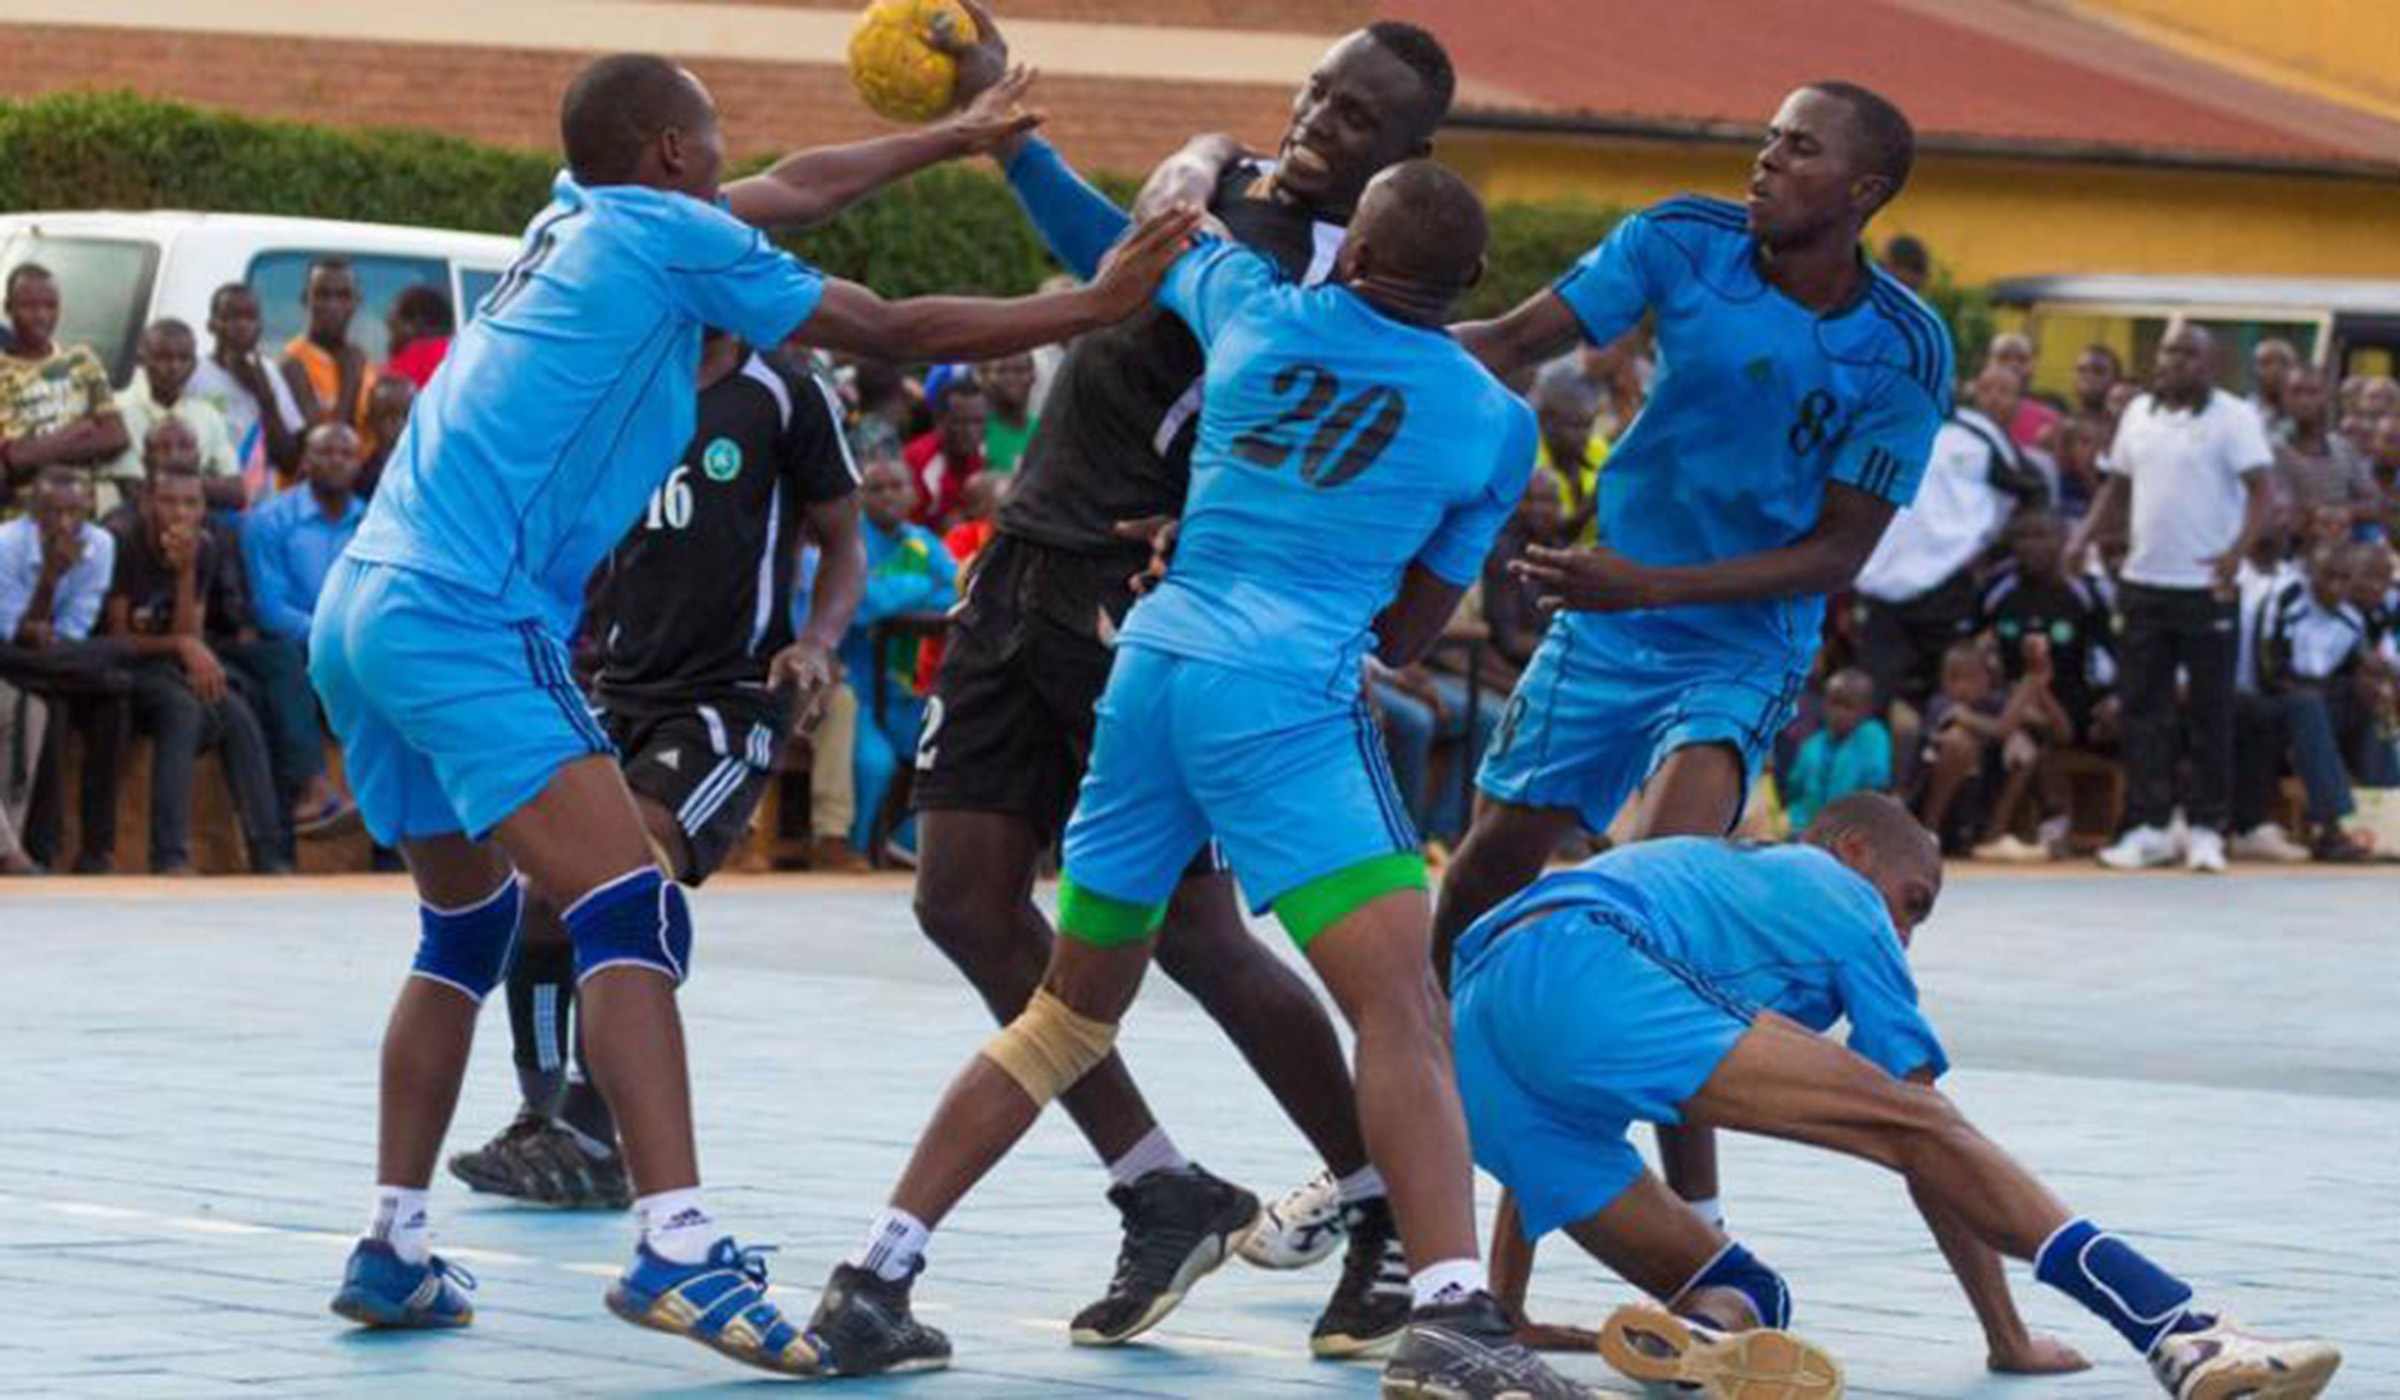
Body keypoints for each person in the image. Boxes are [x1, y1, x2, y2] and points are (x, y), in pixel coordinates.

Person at [304, 46, 1194, 1374]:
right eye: (713, 134)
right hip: (465, 611)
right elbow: (889, 326)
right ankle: (675, 1242)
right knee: (630, 908)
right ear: (671, 152)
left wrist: (952, 135)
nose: (731, 158)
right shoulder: (669, 240)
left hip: (363, 601)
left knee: (465, 928)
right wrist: (1095, 303)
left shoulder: (577, 214)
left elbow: (799, 185)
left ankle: (393, 1243)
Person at [805, 158, 1584, 1400]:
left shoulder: (1251, 304)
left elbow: (1147, 239)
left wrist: (1160, 166)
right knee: (1401, 1008)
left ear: (1351, 252)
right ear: (1473, 279)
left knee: (1067, 1010)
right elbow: (1402, 635)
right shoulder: (1494, 422)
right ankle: (1449, 1309)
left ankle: (874, 1275)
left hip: (1148, 672)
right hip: (1280, 693)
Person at [906, 14, 1462, 1354]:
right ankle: (1162, 1184)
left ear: (1407, 156)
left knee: (1199, 931)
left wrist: (1025, 140)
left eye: (1357, 115)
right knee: (962, 900)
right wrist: (1013, 121)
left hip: (1143, 598)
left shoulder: (1325, 277)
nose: (1317, 119)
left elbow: (1119, 263)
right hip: (1020, 562)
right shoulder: (1233, 189)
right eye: (1317, 90)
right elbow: (1120, 252)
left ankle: (1383, 1202)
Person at [1430, 81, 1953, 1330]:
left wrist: (1651, 583)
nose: (1763, 161)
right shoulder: (1680, 238)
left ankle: (1697, 1233)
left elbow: (1839, 552)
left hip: (1742, 637)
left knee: (1654, 903)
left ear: (1862, 191)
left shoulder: (1904, 347)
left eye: (1796, 149)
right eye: (1767, 140)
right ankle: (1421, 1129)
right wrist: (1358, 336)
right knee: (1485, 877)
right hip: (1610, 619)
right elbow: (1511, 337)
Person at [1448, 793, 2341, 1400]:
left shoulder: (1718, 889)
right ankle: (2178, 1329)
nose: (1904, 936)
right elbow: (1924, 1139)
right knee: (1925, 1124)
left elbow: (1541, 1128)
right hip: (1586, 952)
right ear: (1853, 851)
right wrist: (2006, 1336)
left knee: (1744, 1288)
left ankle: (1708, 1337)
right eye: (1913, 903)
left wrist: (1508, 1311)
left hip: (1477, 1020)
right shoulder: (1838, 893)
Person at [447, 326, 866, 1207]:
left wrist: (818, 643)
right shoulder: (622, 382)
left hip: (726, 702)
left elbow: (844, 543)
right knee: (540, 891)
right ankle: (542, 1119)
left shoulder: (785, 391)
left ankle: (593, 1128)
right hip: (617, 686)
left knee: (623, 872)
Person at [2074, 323, 2272, 873]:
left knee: (2211, 713)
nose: (2174, 361)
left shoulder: (2234, 417)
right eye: (2168, 351)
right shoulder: (2138, 413)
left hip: (2208, 587)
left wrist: (2237, 552)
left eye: (2188, 353)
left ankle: (2207, 829)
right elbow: (2116, 487)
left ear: (2212, 365)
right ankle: (2150, 827)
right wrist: (2081, 537)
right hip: (2143, 584)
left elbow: (2263, 491)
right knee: (2143, 712)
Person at [103, 448, 286, 874]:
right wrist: (184, 646)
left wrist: (185, 572)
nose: (180, 512)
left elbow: (190, 631)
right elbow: (116, 638)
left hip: (169, 663)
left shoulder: (203, 547)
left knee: (236, 713)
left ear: (204, 507)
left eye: (191, 503)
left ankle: (268, 854)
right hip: (123, 667)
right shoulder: (124, 540)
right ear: (148, 502)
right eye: (169, 501)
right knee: (182, 710)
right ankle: (170, 856)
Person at [1851, 367, 2044, 715]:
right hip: (1879, 589)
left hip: (1948, 587)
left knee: (1950, 703)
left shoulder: (1980, 432)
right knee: (1873, 702)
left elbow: (2033, 491)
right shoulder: (1876, 428)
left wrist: (1992, 549)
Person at [0, 467, 119, 874]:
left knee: (110, 698)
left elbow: (69, 634)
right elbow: (15, 635)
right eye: (54, 512)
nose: (66, 524)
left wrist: (42, 638)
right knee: (48, 698)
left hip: (54, 663)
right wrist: (49, 579)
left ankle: (95, 851)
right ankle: (29, 850)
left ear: (89, 509)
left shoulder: (100, 545)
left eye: (74, 512)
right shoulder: (7, 544)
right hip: (13, 657)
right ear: (34, 513)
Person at [1978, 509, 2115, 857]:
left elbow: (2121, 653)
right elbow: (1968, 645)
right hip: (2013, 696)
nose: (2031, 545)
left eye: (2042, 535)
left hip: (2074, 697)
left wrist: (2116, 697)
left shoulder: (2086, 593)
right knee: (2021, 727)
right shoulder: (1997, 589)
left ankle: (2046, 824)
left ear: (2064, 541)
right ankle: (2014, 829)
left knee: (2051, 728)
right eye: (2023, 537)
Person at [842, 457, 954, 858]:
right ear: (859, 496)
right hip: (855, 689)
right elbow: (859, 603)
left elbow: (957, 594)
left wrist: (893, 592)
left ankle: (906, 840)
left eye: (896, 486)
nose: (888, 495)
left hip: (908, 693)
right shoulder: (848, 540)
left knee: (951, 753)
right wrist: (918, 586)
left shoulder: (923, 542)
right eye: (876, 488)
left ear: (913, 494)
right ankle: (855, 854)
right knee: (876, 763)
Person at [2259, 542, 2396, 862]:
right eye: (2328, 577)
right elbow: (2270, 672)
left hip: (2319, 707)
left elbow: (2350, 674)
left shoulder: (2351, 619)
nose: (2336, 587)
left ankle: (2389, 821)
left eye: (2344, 579)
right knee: (2306, 704)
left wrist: (2370, 686)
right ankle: (2330, 829)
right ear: (2311, 574)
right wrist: (2326, 689)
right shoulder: (2286, 601)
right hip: (2274, 705)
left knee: (2370, 704)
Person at [0, 264, 127, 505]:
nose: (41, 316)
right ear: (8, 308)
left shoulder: (81, 359)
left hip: (80, 508)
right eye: (29, 306)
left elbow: (116, 437)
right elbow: (11, 462)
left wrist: (36, 452)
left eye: (50, 306)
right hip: (21, 511)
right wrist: (77, 431)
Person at [243, 423, 366, 645]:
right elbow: (269, 608)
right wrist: (332, 637)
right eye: (326, 452)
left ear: (359, 466)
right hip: (292, 648)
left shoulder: (373, 525)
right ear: (306, 462)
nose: (337, 461)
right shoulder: (270, 520)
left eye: (347, 454)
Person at [102, 319, 243, 513]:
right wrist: (200, 484)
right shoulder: (117, 411)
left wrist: (174, 482)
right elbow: (134, 490)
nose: (174, 367)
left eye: (184, 359)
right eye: (163, 358)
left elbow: (236, 491)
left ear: (195, 364)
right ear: (141, 359)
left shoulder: (207, 415)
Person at [186, 282, 305, 496]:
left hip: (258, 504)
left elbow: (288, 461)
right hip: (206, 499)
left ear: (260, 326)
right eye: (231, 317)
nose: (242, 325)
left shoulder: (270, 373)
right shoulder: (194, 374)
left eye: (250, 318)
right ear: (211, 325)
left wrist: (264, 396)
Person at [279, 258, 383, 459]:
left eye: (343, 296)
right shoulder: (293, 362)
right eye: (323, 295)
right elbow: (327, 451)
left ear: (356, 301)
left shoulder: (361, 359)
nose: (333, 305)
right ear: (306, 299)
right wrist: (350, 382)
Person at [1781, 667, 1889, 832]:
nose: (1838, 712)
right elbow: (1795, 789)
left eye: (1848, 706)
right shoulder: (1812, 744)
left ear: (1867, 709)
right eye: (1834, 703)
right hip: (1804, 826)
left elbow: (1875, 786)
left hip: (1852, 828)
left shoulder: (1872, 736)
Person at [2273, 363, 2376, 528]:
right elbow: (2280, 511)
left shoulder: (2343, 448)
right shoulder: (2273, 450)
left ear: (2326, 397)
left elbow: (2374, 502)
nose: (2304, 401)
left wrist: (2344, 512)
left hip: (2344, 540)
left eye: (2313, 392)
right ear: (2284, 397)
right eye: (2296, 392)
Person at [1528, 361, 1607, 543]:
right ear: (1545, 420)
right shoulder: (1528, 463)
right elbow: (1548, 539)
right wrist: (1589, 508)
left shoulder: (1597, 448)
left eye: (1588, 424)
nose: (1584, 436)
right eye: (1574, 426)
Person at [902, 373, 985, 530]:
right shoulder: (917, 461)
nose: (970, 431)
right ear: (939, 421)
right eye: (960, 422)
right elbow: (904, 528)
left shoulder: (984, 455)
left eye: (978, 421)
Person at [1984, 331, 2060, 451]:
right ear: (1988, 361)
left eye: (2022, 359)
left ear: (2033, 365)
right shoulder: (1964, 404)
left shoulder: (2049, 418)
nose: (2013, 365)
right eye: (2003, 357)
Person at [352, 376, 417, 501]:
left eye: (406, 414)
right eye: (388, 415)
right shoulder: (362, 477)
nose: (399, 424)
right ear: (370, 421)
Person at [383, 284, 455, 389]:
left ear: (410, 325)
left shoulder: (410, 362)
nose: (389, 342)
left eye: (393, 329)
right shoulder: (459, 354)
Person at [976, 350, 1037, 473]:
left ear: (1033, 376)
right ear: (991, 378)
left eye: (1019, 370)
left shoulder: (1042, 429)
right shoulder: (979, 428)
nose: (1011, 378)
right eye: (1002, 371)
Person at [2251, 337, 2299, 442]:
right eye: (2256, 364)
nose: (2258, 371)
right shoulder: (2244, 412)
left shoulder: (2301, 414)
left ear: (2287, 367)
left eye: (2265, 364)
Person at [2070, 343, 2121, 418]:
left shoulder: (2131, 421)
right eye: (2082, 370)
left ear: (2116, 378)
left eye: (2098, 371)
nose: (2089, 377)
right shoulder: (2064, 422)